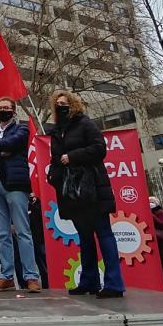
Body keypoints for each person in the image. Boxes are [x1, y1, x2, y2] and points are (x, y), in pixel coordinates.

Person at [47, 89, 123, 298]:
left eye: (65, 103)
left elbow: (100, 149)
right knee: (85, 237)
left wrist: (72, 156)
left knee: (104, 234)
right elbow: (55, 158)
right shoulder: (56, 131)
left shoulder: (85, 123)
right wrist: (53, 176)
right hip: (72, 191)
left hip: (94, 188)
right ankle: (89, 280)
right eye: (58, 104)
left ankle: (114, 284)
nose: (61, 106)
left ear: (73, 105)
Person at [0, 97, 41, 293]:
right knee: (2, 234)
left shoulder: (21, 129)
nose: (3, 110)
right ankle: (6, 276)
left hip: (15, 185)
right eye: (0, 108)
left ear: (13, 111)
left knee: (22, 232)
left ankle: (31, 276)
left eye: (6, 108)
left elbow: (14, 143)